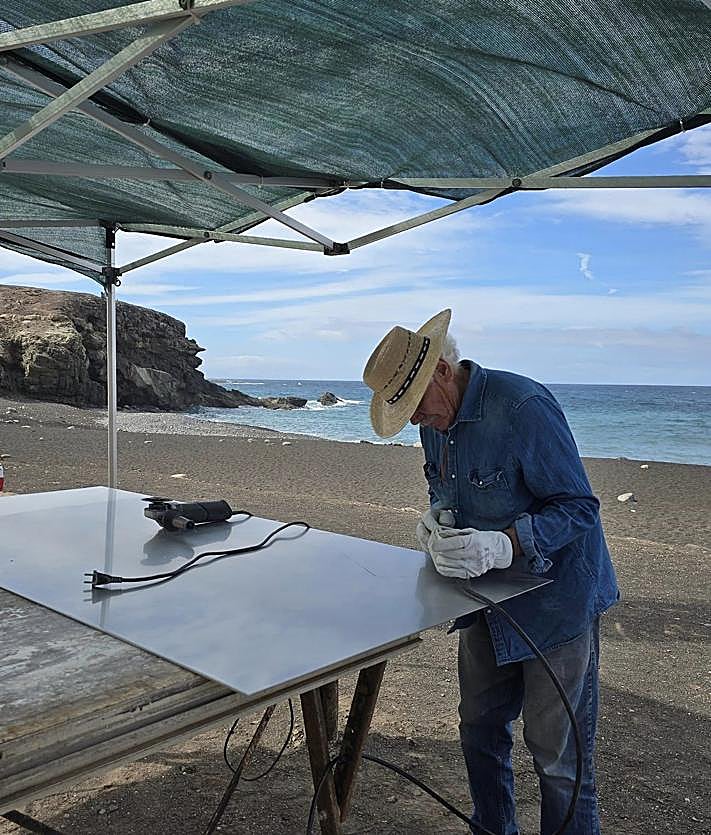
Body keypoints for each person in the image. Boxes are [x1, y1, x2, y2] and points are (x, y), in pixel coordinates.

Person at [362, 308, 618, 835]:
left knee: (558, 759)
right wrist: (437, 523)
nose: (413, 420)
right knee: (479, 730)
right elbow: (444, 488)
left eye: (414, 406)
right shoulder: (436, 421)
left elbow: (578, 508)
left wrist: (504, 545)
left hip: (555, 604)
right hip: (483, 601)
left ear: (440, 371)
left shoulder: (522, 405)